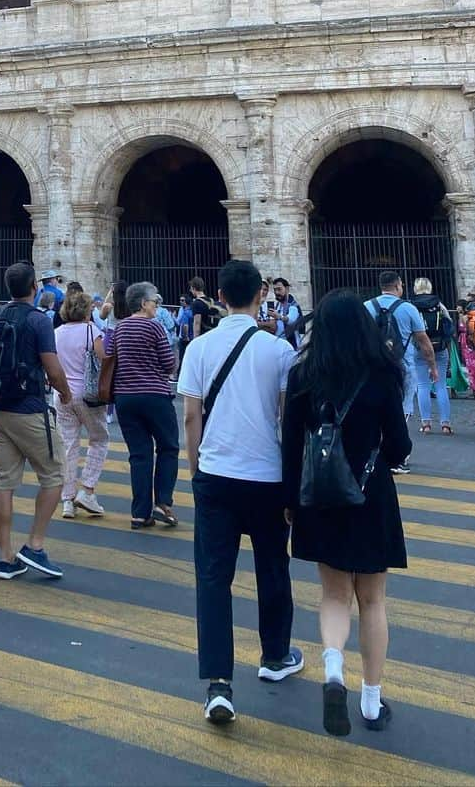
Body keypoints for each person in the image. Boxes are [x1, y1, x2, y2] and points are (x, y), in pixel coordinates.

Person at [281, 290, 412, 736]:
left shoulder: (304, 375)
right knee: (373, 600)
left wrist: (289, 502)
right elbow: (400, 447)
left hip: (320, 496)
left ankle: (333, 673)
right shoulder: (382, 374)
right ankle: (372, 703)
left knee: (335, 595)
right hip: (370, 495)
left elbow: (290, 446)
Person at [178, 258, 302, 726]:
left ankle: (218, 684)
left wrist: (196, 467)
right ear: (259, 297)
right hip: (267, 477)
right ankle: (274, 656)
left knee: (213, 578)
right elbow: (288, 422)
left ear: (221, 297)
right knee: (273, 568)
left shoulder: (200, 347)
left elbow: (191, 416)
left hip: (215, 474)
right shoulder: (279, 351)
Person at [0, 261, 72, 581]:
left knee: (4, 482)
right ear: (35, 287)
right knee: (55, 473)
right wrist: (64, 393)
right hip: (29, 408)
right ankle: (34, 545)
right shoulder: (38, 321)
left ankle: (6, 558)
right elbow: (52, 368)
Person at [108, 282, 179, 529]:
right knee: (168, 447)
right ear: (142, 303)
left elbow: (109, 356)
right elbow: (169, 363)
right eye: (154, 302)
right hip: (155, 396)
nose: (156, 306)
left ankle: (140, 513)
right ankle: (163, 502)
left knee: (139, 455)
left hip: (125, 398)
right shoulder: (155, 327)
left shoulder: (119, 329)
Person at [364, 272, 435, 463]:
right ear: (397, 286)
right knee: (401, 409)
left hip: (373, 367)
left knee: (375, 408)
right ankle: (396, 456)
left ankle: (374, 452)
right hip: (403, 366)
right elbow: (423, 341)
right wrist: (433, 367)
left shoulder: (367, 306)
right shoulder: (408, 308)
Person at [52, 289, 109, 518]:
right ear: (86, 311)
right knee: (99, 439)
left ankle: (67, 499)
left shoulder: (56, 332)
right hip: (87, 395)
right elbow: (103, 359)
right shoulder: (91, 331)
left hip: (62, 394)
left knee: (67, 445)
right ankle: (87, 489)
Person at [410, 277, 453, 434]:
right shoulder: (439, 305)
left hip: (419, 349)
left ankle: (426, 423)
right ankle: (445, 424)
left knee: (422, 386)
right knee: (441, 385)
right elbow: (449, 327)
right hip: (440, 349)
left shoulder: (412, 306)